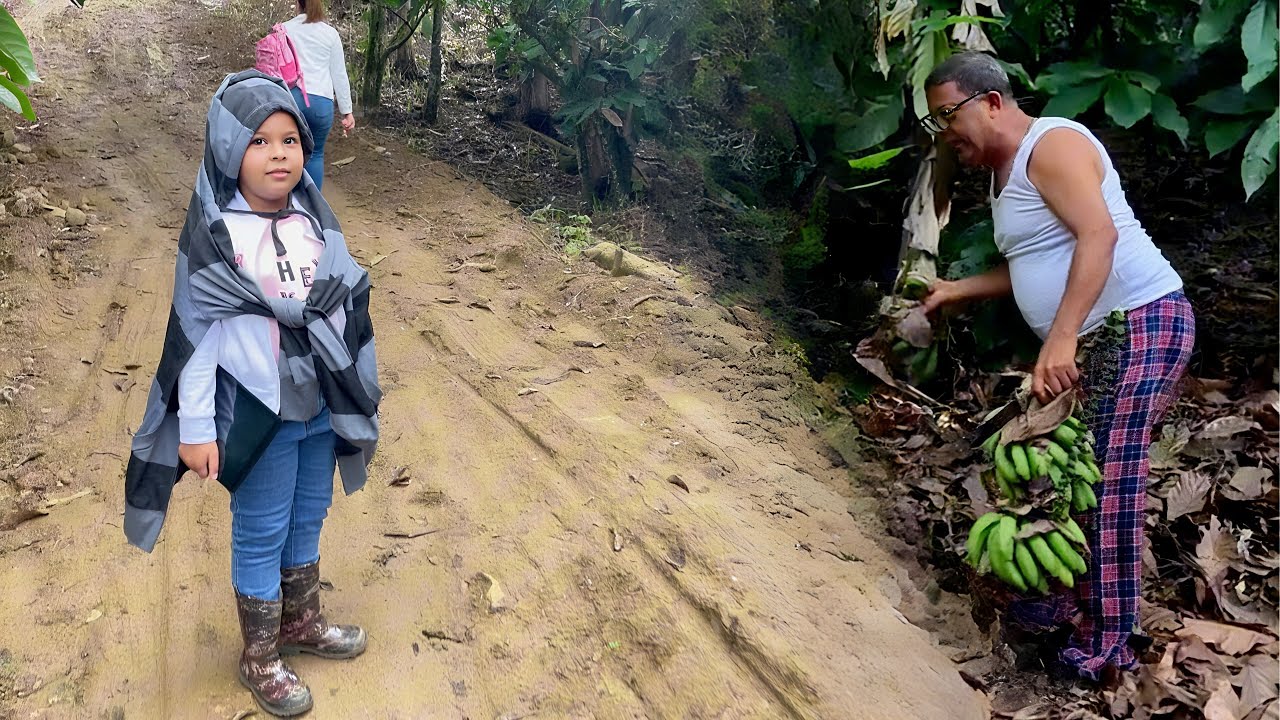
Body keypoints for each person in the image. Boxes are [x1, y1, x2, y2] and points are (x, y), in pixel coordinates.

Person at [918, 52, 1195, 685]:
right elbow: (1037, 259)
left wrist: (1061, 336)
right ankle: (1071, 607)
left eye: (947, 115)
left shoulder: (1054, 143)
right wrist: (957, 291)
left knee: (1113, 477)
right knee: (1073, 476)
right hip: (1103, 336)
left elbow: (1097, 234)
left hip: (1141, 320)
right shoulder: (1003, 175)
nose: (944, 134)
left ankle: (1111, 644)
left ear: (991, 102)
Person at [123, 71, 381, 716]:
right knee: (263, 527)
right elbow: (197, 343)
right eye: (259, 140)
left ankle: (301, 621)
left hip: (316, 403)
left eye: (290, 139)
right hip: (259, 415)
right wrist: (197, 430)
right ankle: (260, 654)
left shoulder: (311, 223)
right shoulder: (221, 237)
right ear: (227, 149)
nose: (278, 154)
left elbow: (339, 302)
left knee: (307, 514)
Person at [282, 0, 354, 190]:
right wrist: (347, 112)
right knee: (315, 154)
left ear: (298, 3)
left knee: (288, 152)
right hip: (321, 103)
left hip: (291, 100)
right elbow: (339, 74)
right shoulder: (330, 34)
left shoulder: (284, 29)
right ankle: (313, 211)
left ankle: (287, 206)